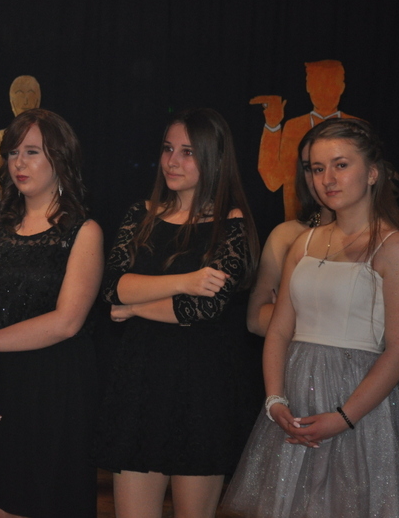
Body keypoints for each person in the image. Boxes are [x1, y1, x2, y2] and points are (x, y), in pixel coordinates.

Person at [221, 118, 399, 517]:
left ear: (372, 173)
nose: (327, 179)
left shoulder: (394, 246)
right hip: (297, 399)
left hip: (360, 402)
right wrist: (275, 400)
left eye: (341, 165)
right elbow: (279, 331)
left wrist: (343, 417)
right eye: (317, 169)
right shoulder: (303, 243)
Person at [94, 108, 260, 518]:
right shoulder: (141, 214)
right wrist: (187, 280)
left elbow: (203, 307)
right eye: (168, 149)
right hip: (140, 384)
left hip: (201, 390)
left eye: (188, 152)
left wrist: (134, 308)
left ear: (214, 158)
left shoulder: (231, 223)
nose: (172, 161)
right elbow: (113, 285)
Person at [0, 107, 103, 517]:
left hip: (54, 390)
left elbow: (67, 322)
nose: (19, 163)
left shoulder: (83, 231)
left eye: (32, 152)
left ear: (60, 158)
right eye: (13, 153)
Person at [247, 122, 335, 337]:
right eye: (312, 169)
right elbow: (256, 319)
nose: (324, 179)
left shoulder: (387, 239)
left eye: (340, 165)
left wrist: (290, 312)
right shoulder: (287, 235)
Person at [251, 60, 358, 221]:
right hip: (299, 225)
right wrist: (272, 127)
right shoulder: (293, 127)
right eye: (316, 84)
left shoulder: (357, 127)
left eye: (329, 84)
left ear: (342, 87)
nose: (322, 91)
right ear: (308, 87)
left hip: (351, 226)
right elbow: (273, 180)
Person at [0, 75, 41, 191]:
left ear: (38, 100)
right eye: (19, 95)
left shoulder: (50, 137)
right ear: (12, 101)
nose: (25, 101)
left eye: (31, 95)